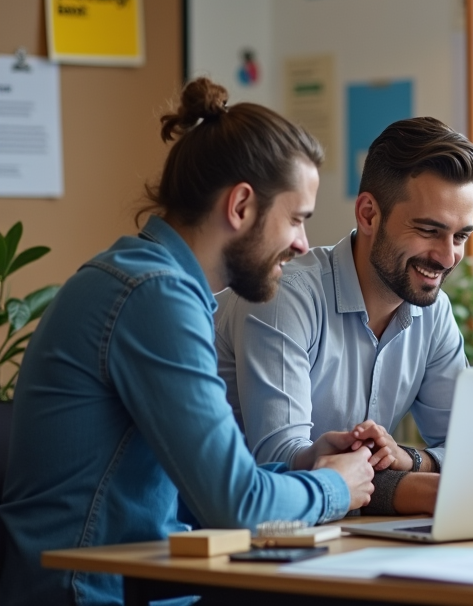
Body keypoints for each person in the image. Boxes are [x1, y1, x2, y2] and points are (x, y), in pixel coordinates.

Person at [0, 78, 377, 606]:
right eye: (295, 219)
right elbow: (237, 505)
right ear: (241, 205)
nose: (302, 244)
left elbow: (200, 491)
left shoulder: (148, 281)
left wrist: (304, 464)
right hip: (90, 594)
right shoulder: (155, 297)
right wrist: (335, 487)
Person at [215, 116, 473, 515]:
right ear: (369, 214)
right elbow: (279, 465)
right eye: (429, 230)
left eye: (460, 236)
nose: (447, 257)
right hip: (220, 542)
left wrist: (409, 459)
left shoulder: (433, 311)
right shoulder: (285, 296)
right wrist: (400, 487)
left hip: (326, 538)